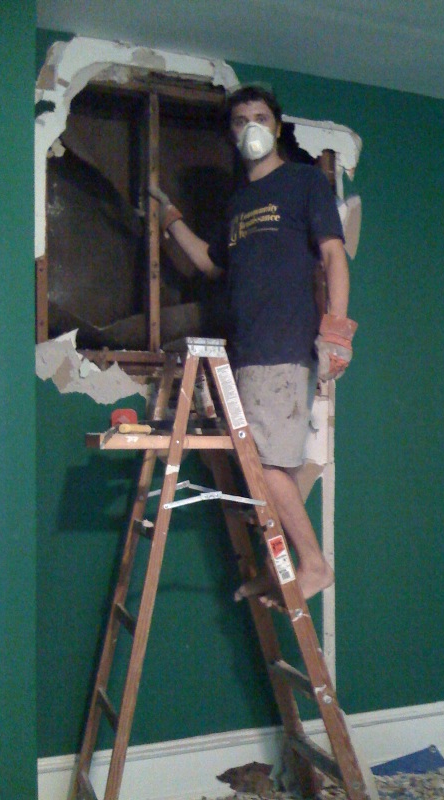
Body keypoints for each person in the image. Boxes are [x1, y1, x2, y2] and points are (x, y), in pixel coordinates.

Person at [151, 85, 357, 602]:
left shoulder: (303, 182)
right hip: (246, 348)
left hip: (283, 344)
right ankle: (279, 568)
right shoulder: (239, 201)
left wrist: (336, 331)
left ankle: (313, 566)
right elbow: (210, 263)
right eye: (240, 121)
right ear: (231, 132)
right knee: (260, 466)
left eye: (260, 118)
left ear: (277, 126)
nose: (251, 129)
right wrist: (169, 218)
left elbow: (334, 255)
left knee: (265, 464)